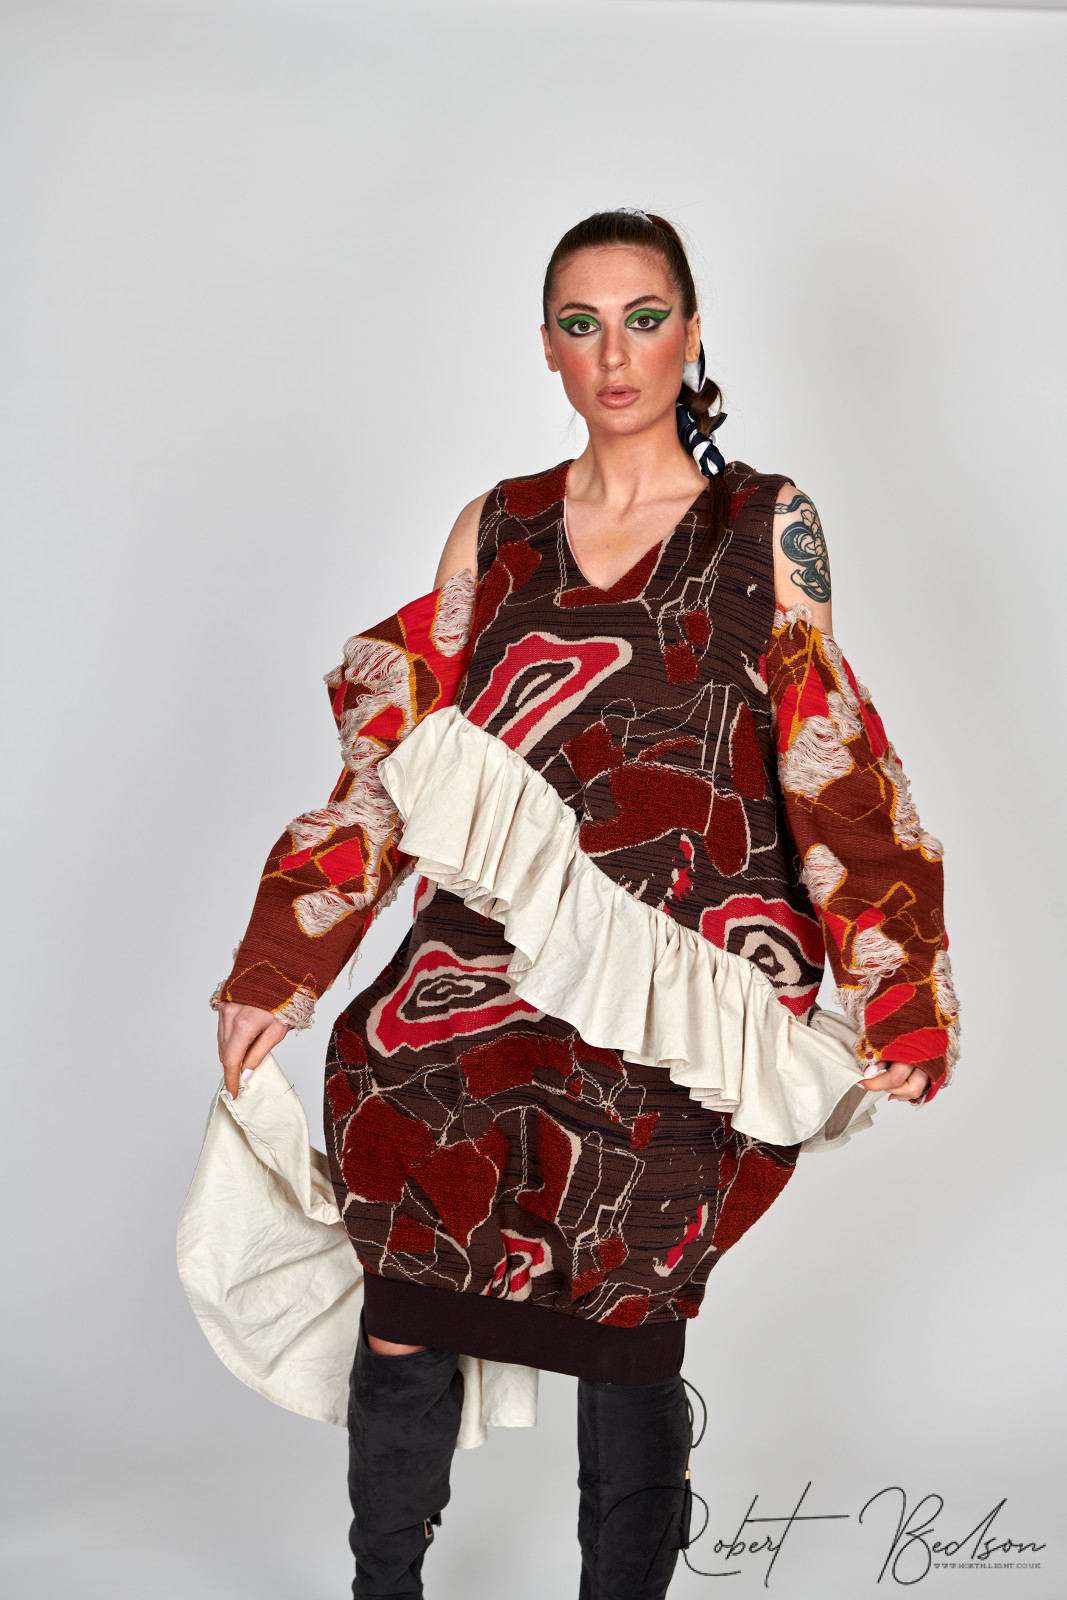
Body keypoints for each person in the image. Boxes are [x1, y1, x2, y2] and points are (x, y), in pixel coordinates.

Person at [213, 209, 958, 1599]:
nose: (614, 355)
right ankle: (385, 1588)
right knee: (402, 1273)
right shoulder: (496, 528)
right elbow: (392, 771)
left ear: (691, 335)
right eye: (581, 324)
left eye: (643, 318)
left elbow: (828, 756)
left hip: (675, 984)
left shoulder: (766, 523)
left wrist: (896, 983)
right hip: (477, 973)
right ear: (548, 350)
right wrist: (281, 967)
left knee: (631, 1332)